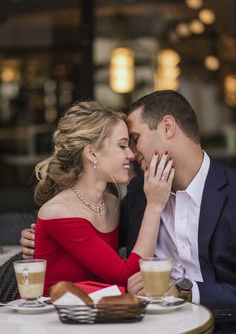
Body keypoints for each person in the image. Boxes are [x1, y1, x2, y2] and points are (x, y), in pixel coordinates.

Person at [20, 91, 236, 331]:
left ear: (167, 127)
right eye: (125, 144)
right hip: (141, 325)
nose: (132, 153)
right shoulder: (139, 193)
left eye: (134, 138)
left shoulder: (232, 193)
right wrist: (39, 238)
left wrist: (186, 290)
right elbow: (95, 241)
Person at [25, 100, 173, 296]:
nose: (131, 154)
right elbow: (128, 277)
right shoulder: (59, 211)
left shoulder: (111, 203)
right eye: (122, 146)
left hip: (97, 316)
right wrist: (154, 206)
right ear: (91, 153)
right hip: (50, 319)